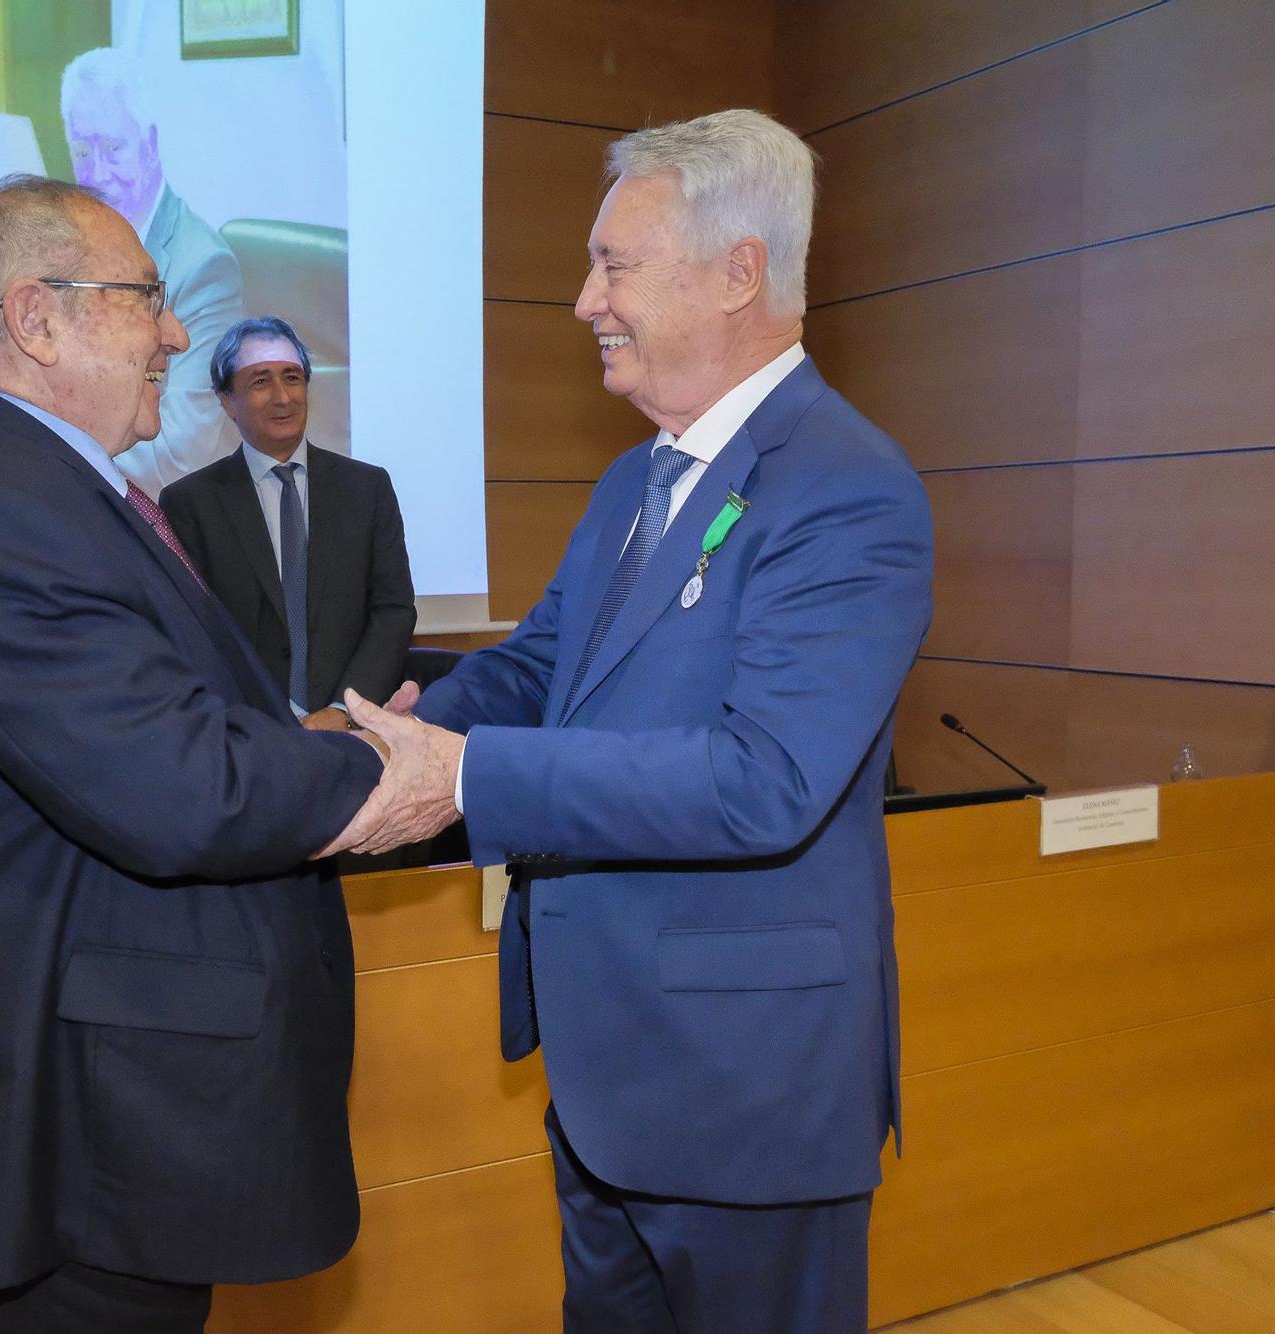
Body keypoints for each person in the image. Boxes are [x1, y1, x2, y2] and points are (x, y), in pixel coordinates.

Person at [325, 110, 935, 1333]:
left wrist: (466, 776)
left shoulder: (845, 487)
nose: (580, 299)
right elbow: (543, 663)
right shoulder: (634, 477)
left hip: (746, 1092)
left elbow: (763, 778)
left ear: (738, 272)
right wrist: (379, 745)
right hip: (608, 1076)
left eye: (613, 264)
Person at [0, 175, 390, 1333]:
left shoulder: (44, 489)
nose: (179, 332)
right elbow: (182, 786)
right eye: (147, 298)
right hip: (54, 1133)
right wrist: (393, 771)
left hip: (99, 1112)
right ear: (39, 320)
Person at [162, 317, 415, 730]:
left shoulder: (367, 489)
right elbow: (194, 634)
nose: (283, 398)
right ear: (226, 400)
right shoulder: (190, 503)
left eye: (292, 378)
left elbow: (394, 611)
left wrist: (342, 710)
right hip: (245, 737)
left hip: (355, 728)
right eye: (260, 381)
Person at [61, 45, 241, 495]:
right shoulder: (71, 247)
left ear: (152, 144)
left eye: (114, 148)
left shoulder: (205, 268)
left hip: (164, 515)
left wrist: (53, 451)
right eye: (82, 151)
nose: (97, 174)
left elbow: (182, 453)